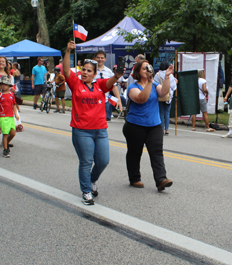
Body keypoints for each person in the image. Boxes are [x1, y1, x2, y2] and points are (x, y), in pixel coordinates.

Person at [63, 40, 122, 205]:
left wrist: (117, 75)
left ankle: (91, 181)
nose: (85, 72)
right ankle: (86, 191)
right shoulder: (76, 84)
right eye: (84, 70)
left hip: (100, 130)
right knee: (86, 161)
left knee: (103, 161)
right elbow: (67, 71)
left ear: (95, 74)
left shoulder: (100, 85)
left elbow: (110, 83)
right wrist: (68, 51)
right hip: (82, 131)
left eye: (89, 71)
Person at [123, 59, 174, 191]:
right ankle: (134, 178)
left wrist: (167, 77)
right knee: (135, 153)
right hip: (135, 125)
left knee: (157, 152)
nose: (148, 70)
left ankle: (161, 179)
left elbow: (164, 93)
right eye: (144, 68)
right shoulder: (133, 87)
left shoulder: (155, 84)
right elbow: (141, 99)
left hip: (154, 125)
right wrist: (150, 82)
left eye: (149, 67)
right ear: (138, 72)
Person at [0, 76, 19, 158]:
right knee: (5, 134)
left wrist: (16, 114)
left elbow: (14, 105)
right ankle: (5, 150)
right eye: (2, 84)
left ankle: (6, 142)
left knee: (13, 133)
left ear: (9, 86)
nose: (3, 86)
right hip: (3, 117)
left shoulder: (11, 94)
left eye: (5, 84)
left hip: (11, 117)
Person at [93, 50, 123, 121]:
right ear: (95, 58)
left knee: (103, 122)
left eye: (102, 58)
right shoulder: (91, 70)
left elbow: (114, 86)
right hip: (93, 101)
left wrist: (119, 100)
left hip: (105, 101)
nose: (100, 59)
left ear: (105, 59)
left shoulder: (109, 72)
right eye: (98, 57)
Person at [154, 61, 178, 135]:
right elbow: (173, 86)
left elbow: (154, 85)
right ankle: (167, 129)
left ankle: (161, 129)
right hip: (168, 95)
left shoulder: (157, 75)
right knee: (167, 113)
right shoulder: (169, 75)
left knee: (161, 112)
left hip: (160, 95)